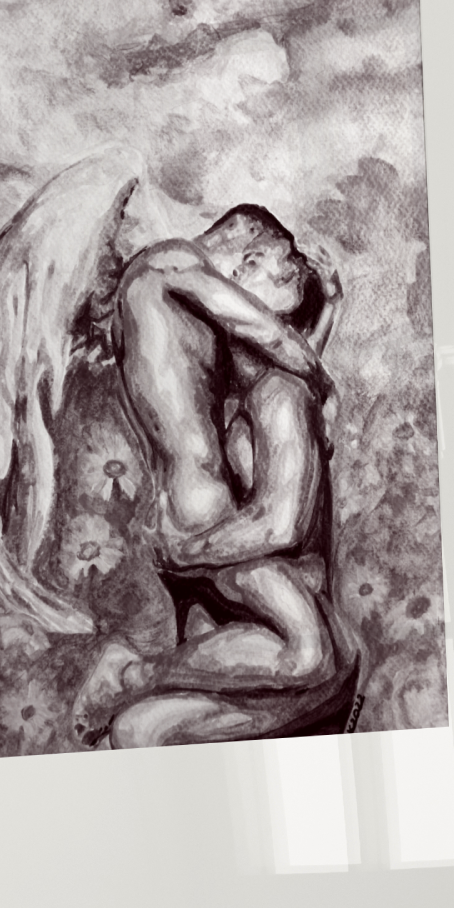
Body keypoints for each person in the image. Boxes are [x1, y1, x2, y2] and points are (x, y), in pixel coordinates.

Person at [81, 205, 358, 747]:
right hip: (206, 514)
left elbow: (275, 389)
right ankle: (131, 674)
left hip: (191, 510)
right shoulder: (172, 262)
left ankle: (141, 702)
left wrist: (327, 320)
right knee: (308, 651)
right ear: (249, 256)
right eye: (281, 273)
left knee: (213, 692)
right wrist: (326, 386)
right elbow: (270, 339)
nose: (283, 310)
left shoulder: (157, 297)